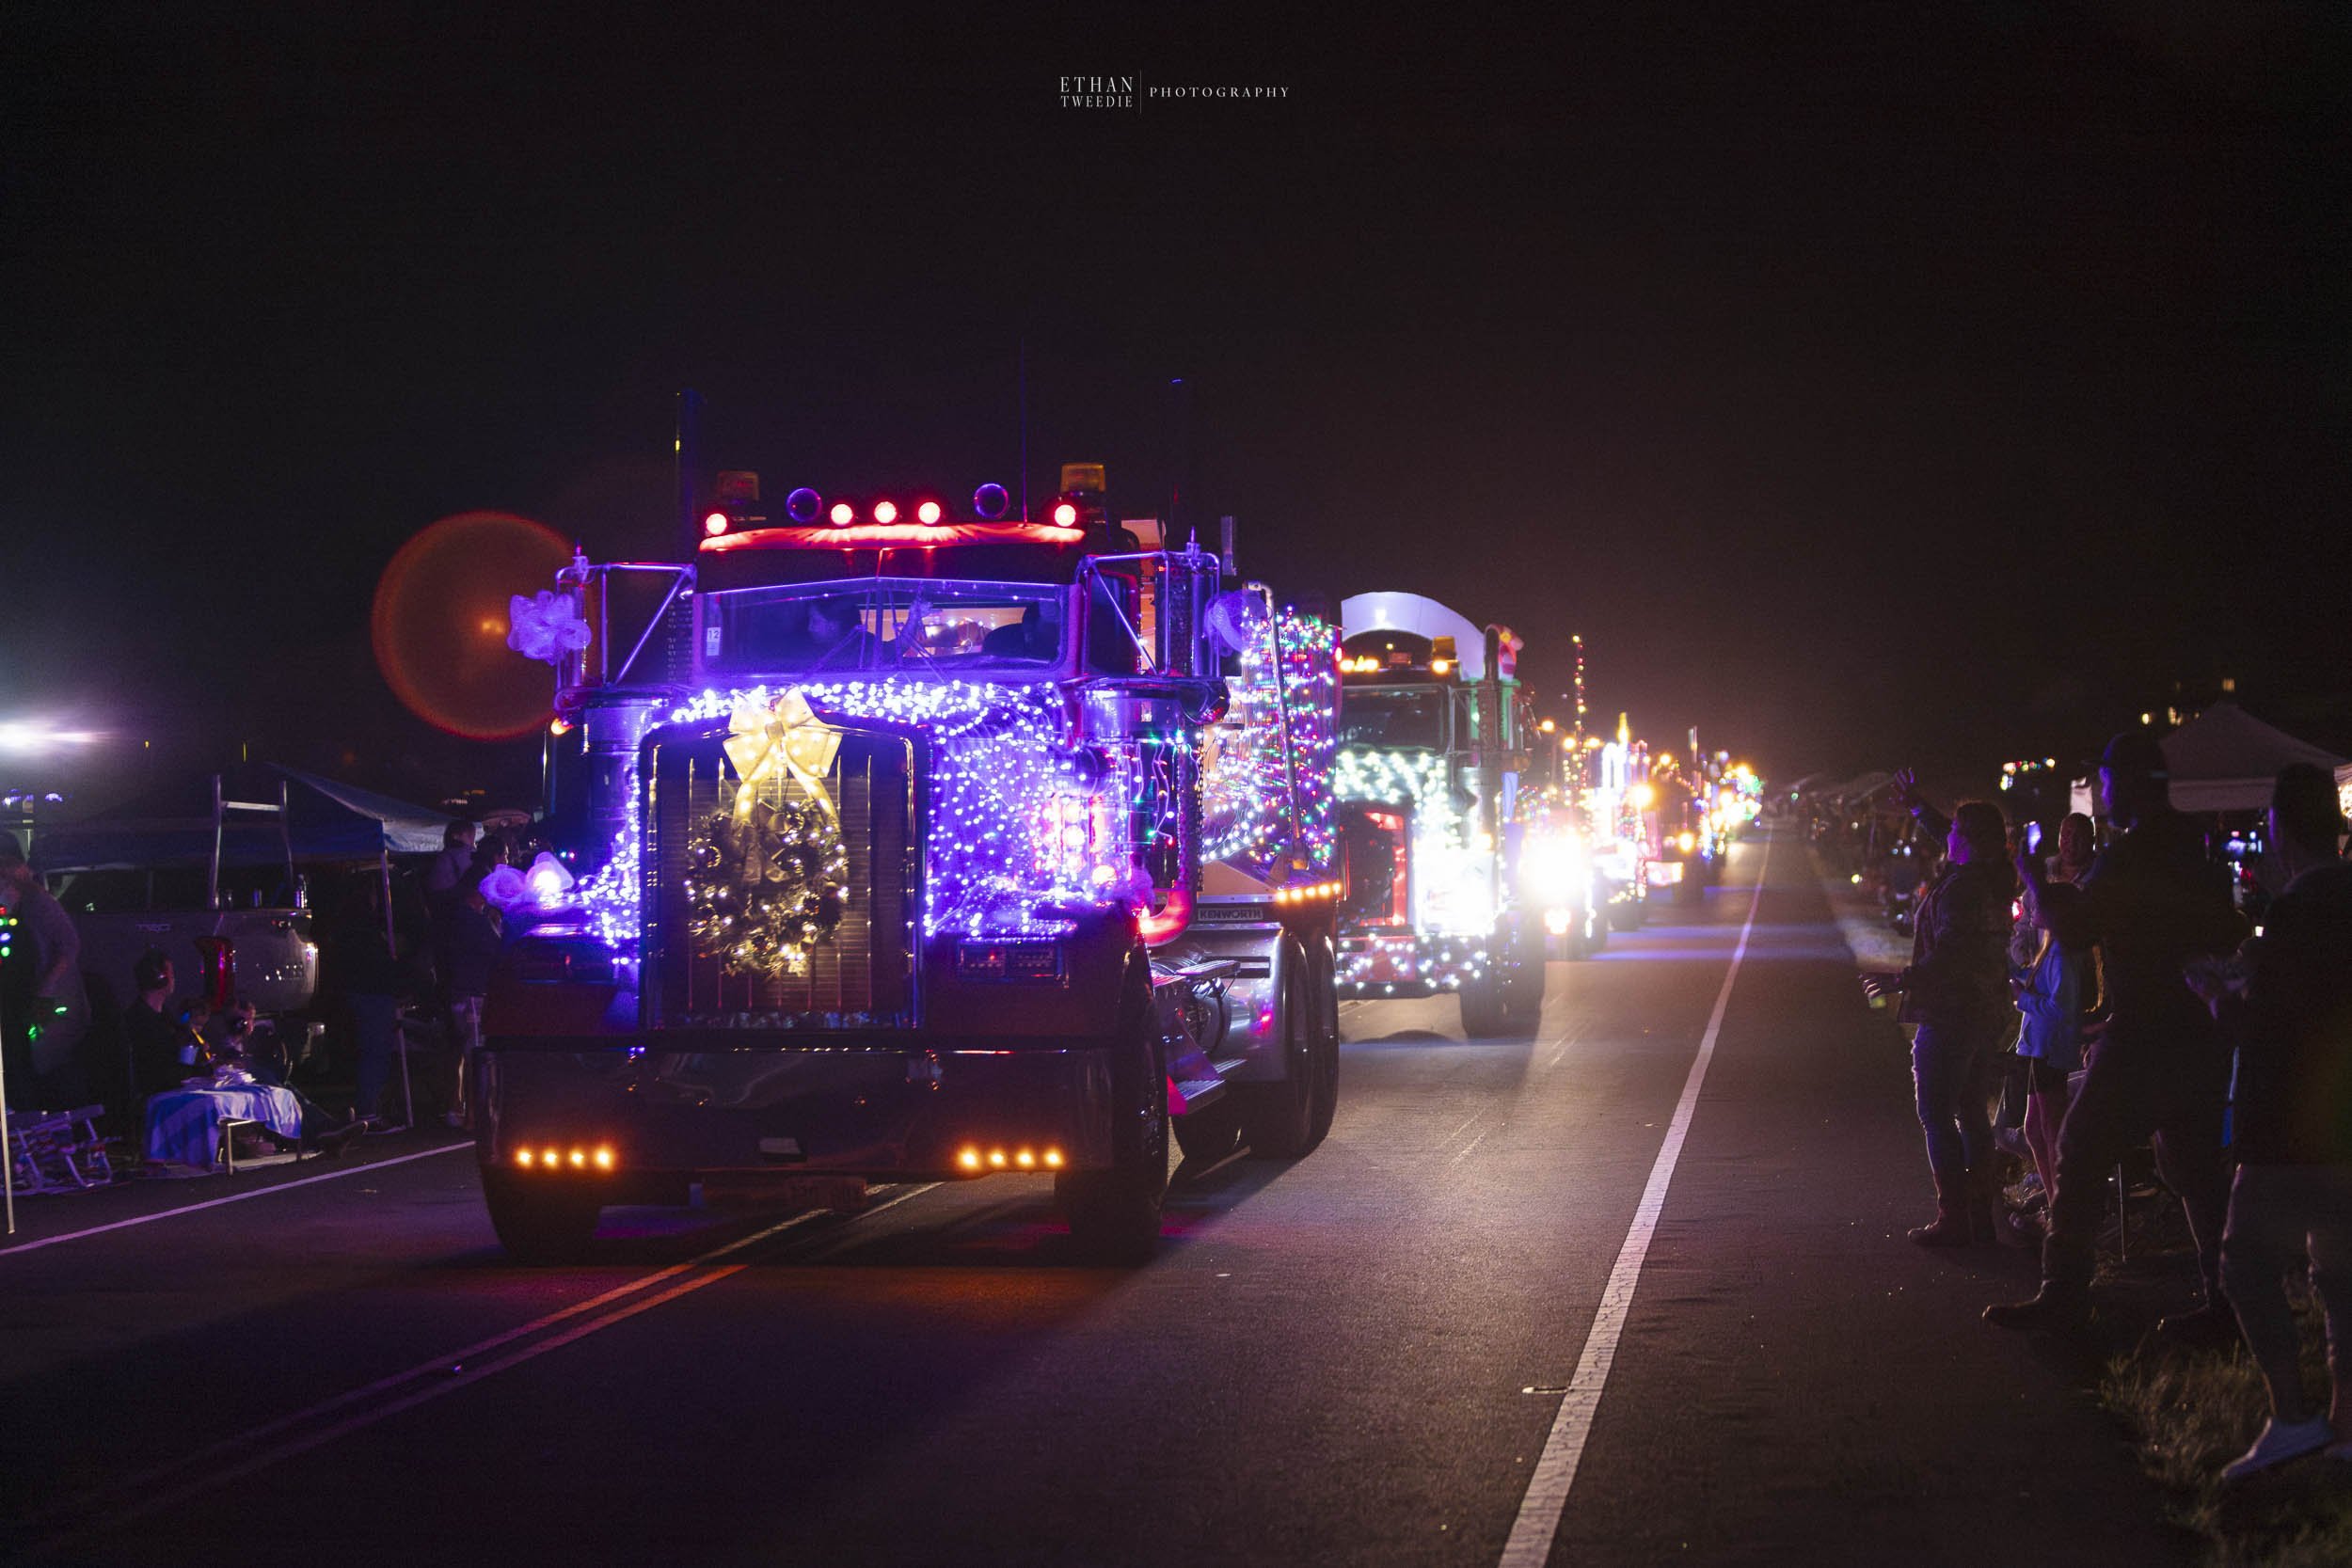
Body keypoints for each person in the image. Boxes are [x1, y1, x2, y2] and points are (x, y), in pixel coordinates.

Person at [1986, 730, 2248, 1334]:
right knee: (2198, 1171)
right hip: (2198, 1030)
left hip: (2146, 1030)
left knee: (2078, 1146)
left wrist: (2030, 874)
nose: (2101, 797)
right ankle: (2227, 1304)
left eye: (2105, 782)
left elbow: (2075, 929)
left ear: (2124, 784)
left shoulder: (2130, 856)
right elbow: (2223, 926)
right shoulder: (2194, 846)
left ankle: (2064, 1293)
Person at [2186, 764, 2352, 1480]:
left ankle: (2292, 1416)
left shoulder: (2296, 907)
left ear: (2280, 829)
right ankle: (2347, 1426)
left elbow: (2271, 1023)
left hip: (2290, 1120)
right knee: (2341, 1276)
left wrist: (2222, 998)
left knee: (2245, 1263)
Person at [1866, 784, 2016, 1245]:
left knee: (1935, 1112)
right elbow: (1948, 835)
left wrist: (1904, 978)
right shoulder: (1991, 876)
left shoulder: (1962, 889)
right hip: (1982, 1012)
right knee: (1971, 1112)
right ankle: (1980, 1214)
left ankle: (1954, 1218)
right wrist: (1919, 805)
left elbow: (1952, 950)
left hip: (1950, 1013)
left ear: (1967, 839)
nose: (1946, 834)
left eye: (1955, 830)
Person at [2006, 879, 2099, 1242]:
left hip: (2050, 1048)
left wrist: (2021, 999)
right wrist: (2019, 980)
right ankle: (2056, 1202)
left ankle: (2064, 1212)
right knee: (2034, 1129)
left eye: (2041, 905)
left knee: (2051, 1129)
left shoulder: (2061, 953)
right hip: (2039, 1047)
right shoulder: (2052, 949)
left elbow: (2062, 1005)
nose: (2034, 909)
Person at [1, 832, 83, 1107]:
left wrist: (45, 990)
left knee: (35, 1066)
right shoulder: (18, 906)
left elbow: (69, 945)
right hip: (17, 998)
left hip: (34, 998)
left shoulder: (39, 903)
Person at [437, 860, 506, 1128]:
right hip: (473, 992)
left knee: (462, 1053)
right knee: (476, 1054)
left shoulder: (453, 917)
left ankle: (458, 1108)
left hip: (459, 991)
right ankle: (472, 1115)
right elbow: (495, 950)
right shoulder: (473, 920)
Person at [122, 947, 186, 1101]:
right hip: (157, 1099)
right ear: (160, 978)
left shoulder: (166, 1016)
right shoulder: (139, 1020)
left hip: (171, 1091)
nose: (173, 980)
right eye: (171, 974)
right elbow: (157, 1071)